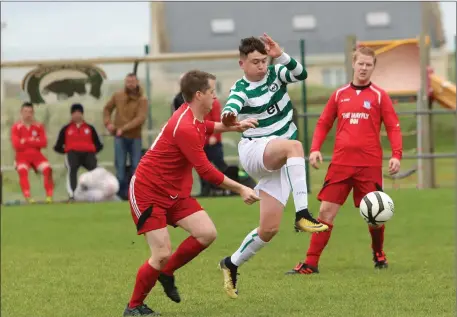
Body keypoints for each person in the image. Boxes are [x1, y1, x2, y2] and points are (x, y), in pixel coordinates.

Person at [123, 70, 260, 316]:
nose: (215, 98)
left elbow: (205, 126)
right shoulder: (184, 125)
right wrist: (241, 187)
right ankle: (133, 307)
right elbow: (207, 172)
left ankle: (166, 272)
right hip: (148, 192)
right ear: (199, 95)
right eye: (212, 92)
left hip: (173, 192)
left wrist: (232, 127)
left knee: (206, 233)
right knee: (162, 252)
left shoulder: (191, 116)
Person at [218, 34, 328, 299]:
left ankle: (230, 264)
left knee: (268, 229)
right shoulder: (240, 89)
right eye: (255, 62)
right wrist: (230, 117)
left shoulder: (276, 72)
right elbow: (230, 109)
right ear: (242, 63)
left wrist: (281, 55)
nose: (261, 66)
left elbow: (300, 75)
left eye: (264, 60)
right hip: (256, 150)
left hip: (277, 158)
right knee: (295, 146)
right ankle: (302, 213)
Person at [286, 46, 403, 275]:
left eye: (369, 65)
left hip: (368, 165)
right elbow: (323, 123)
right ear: (353, 64)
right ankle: (311, 263)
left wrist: (396, 155)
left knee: (375, 216)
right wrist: (315, 149)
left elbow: (393, 126)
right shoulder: (340, 94)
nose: (364, 68)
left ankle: (378, 253)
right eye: (361, 63)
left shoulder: (379, 96)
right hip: (340, 164)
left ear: (373, 67)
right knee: (325, 212)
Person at [103, 73, 148, 200]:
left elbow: (140, 118)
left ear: (137, 82)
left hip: (135, 137)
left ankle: (136, 194)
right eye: (128, 82)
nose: (130, 84)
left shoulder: (142, 99)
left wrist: (123, 129)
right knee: (120, 167)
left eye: (132, 81)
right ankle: (121, 195)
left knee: (136, 167)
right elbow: (107, 109)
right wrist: (108, 124)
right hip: (119, 138)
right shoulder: (118, 96)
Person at [54, 103, 104, 201]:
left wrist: (92, 151)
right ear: (72, 115)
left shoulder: (89, 128)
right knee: (72, 169)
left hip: (88, 154)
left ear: (82, 114)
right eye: (75, 113)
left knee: (95, 171)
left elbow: (98, 145)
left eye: (79, 112)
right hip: (72, 154)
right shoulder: (66, 129)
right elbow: (57, 146)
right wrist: (67, 150)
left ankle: (98, 194)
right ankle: (73, 195)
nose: (77, 115)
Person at [10, 102, 54, 203]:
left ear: (33, 113)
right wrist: (34, 141)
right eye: (25, 112)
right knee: (22, 171)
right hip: (22, 156)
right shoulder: (16, 127)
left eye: (30, 112)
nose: (28, 114)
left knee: (48, 169)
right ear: (21, 113)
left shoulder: (38, 126)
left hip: (37, 156)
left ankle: (49, 196)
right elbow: (16, 145)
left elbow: (43, 143)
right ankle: (28, 196)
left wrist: (25, 140)